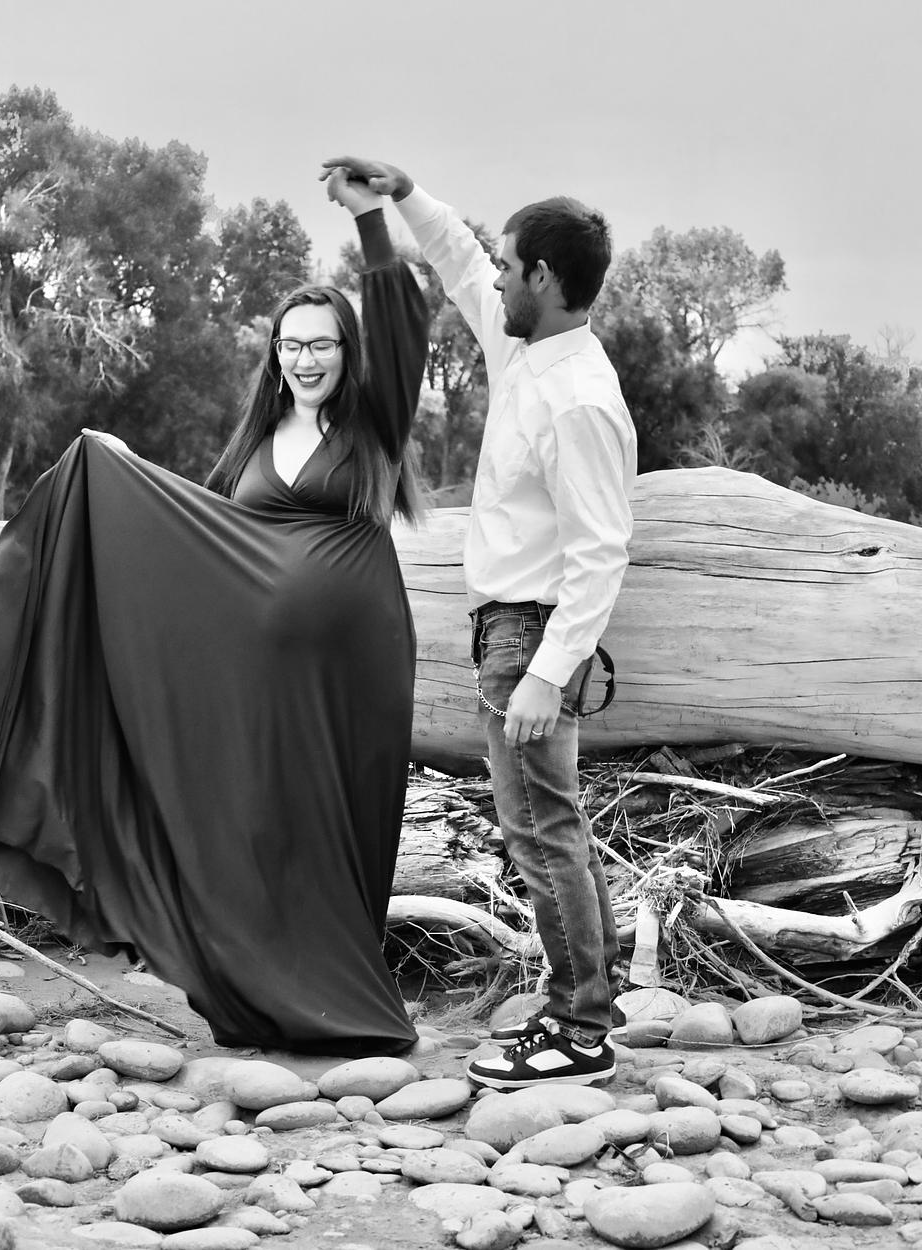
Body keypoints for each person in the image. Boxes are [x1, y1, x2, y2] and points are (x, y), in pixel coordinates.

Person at [0, 170, 428, 1056]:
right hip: (260, 678)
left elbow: (403, 330)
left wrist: (372, 220)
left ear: (349, 353)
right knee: (258, 822)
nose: (306, 360)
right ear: (274, 356)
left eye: (323, 344)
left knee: (341, 827)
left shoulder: (373, 428)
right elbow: (204, 537)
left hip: (358, 668)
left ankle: (344, 994)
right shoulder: (256, 442)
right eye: (291, 346)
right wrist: (112, 471)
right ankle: (258, 999)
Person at [322, 156, 637, 1089]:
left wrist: (547, 673)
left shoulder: (580, 398)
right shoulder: (526, 351)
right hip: (507, 630)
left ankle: (579, 1029)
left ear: (543, 276)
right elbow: (458, 261)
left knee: (539, 831)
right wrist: (402, 194)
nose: (492, 277)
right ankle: (594, 1000)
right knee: (547, 823)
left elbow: (601, 551)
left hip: (532, 635)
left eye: (508, 266)